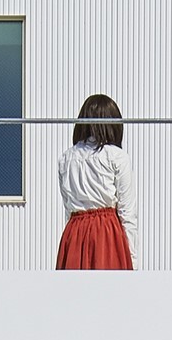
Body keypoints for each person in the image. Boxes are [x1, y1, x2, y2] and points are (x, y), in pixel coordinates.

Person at [56, 94, 138, 270]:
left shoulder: (66, 157)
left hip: (74, 232)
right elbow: (127, 212)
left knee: (72, 293)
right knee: (109, 292)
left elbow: (68, 207)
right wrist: (133, 262)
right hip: (106, 233)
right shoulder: (117, 156)